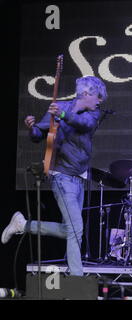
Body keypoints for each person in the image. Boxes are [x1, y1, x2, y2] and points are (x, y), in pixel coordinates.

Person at [1, 76, 107, 276]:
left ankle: (23, 225)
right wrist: (32, 127)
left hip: (79, 178)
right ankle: (77, 278)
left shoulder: (92, 114)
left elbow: (83, 124)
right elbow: (38, 136)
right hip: (61, 175)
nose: (100, 101)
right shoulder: (58, 107)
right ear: (87, 94)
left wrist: (63, 114)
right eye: (98, 97)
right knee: (76, 230)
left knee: (71, 229)